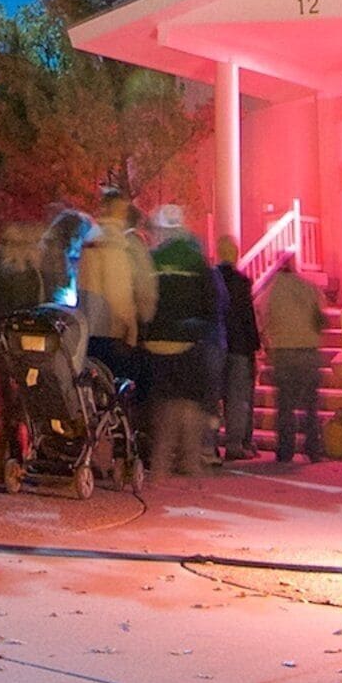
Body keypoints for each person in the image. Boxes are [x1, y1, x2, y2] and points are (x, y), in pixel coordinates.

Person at [138, 206, 220, 481]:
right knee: (189, 402)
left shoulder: (153, 259)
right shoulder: (196, 261)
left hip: (156, 342)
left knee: (163, 403)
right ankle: (190, 460)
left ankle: (160, 463)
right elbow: (212, 304)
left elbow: (144, 299)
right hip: (187, 341)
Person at [0, 220, 55, 484]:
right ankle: (12, 461)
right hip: (25, 347)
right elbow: (40, 311)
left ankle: (1, 463)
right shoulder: (31, 275)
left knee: (7, 407)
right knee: (20, 406)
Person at [75, 189, 155, 398]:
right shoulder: (114, 242)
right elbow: (118, 291)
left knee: (95, 395)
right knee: (117, 396)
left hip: (90, 329)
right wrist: (132, 329)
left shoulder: (90, 239)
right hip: (113, 331)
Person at [259, 259, 328, 464]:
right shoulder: (309, 288)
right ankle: (312, 449)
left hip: (284, 351)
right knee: (310, 404)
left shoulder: (271, 291)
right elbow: (320, 319)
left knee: (286, 405)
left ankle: (285, 450)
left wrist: (268, 340)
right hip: (308, 349)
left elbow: (264, 317)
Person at [215, 248, 263, 463]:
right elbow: (247, 316)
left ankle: (211, 444)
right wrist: (254, 345)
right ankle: (234, 445)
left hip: (217, 344)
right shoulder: (241, 282)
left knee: (214, 398)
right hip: (239, 348)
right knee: (236, 400)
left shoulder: (212, 279)